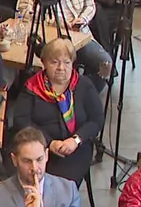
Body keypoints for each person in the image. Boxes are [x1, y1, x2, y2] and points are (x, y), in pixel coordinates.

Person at [10, 38, 104, 190]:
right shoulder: (33, 87)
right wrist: (49, 143)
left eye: (67, 62)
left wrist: (75, 140)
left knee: (62, 188)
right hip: (40, 149)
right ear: (44, 63)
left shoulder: (84, 85)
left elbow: (96, 119)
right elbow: (22, 121)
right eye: (54, 62)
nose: (61, 68)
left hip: (76, 150)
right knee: (32, 180)